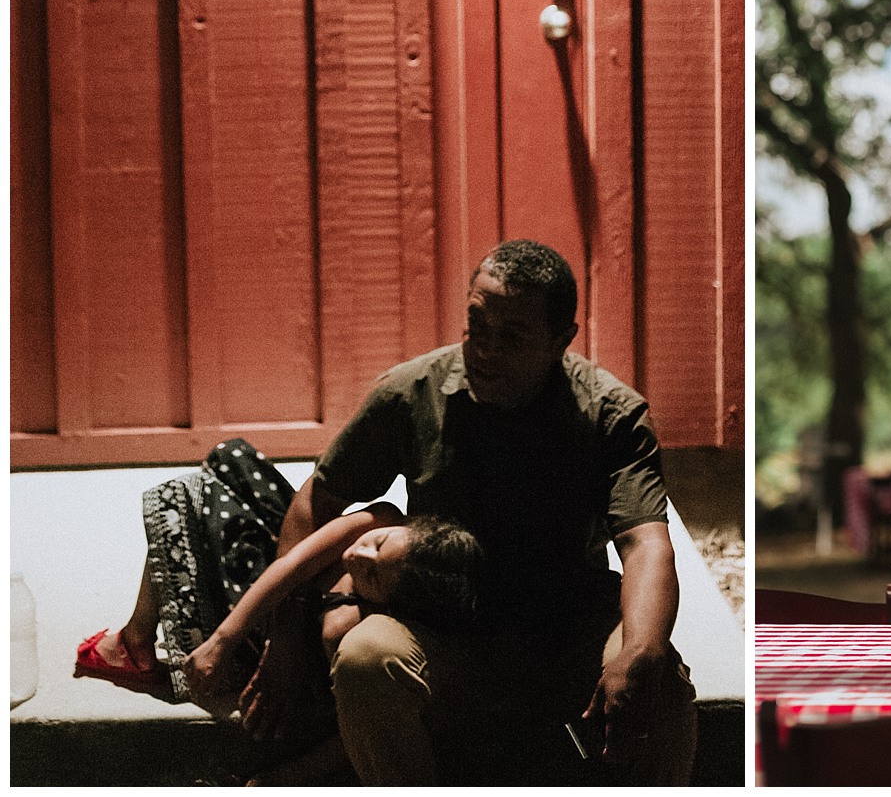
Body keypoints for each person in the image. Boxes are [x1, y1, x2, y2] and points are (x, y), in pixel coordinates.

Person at [239, 238, 698, 785]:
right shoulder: (412, 392)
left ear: (560, 341)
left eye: (512, 336)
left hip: (566, 625)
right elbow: (318, 501)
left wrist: (641, 649)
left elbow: (645, 542)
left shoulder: (610, 414)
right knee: (366, 658)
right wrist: (285, 631)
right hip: (443, 629)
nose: (485, 349)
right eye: (476, 326)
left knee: (661, 679)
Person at [75, 439, 483, 784]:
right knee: (224, 465)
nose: (359, 556)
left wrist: (282, 778)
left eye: (373, 577)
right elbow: (292, 565)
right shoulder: (380, 518)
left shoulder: (355, 629)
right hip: (269, 602)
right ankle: (136, 641)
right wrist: (223, 639)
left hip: (283, 676)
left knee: (193, 504)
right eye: (378, 544)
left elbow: (349, 734)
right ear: (405, 525)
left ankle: (136, 651)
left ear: (392, 603)